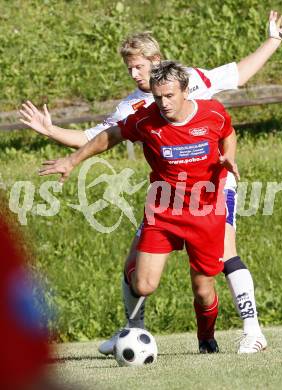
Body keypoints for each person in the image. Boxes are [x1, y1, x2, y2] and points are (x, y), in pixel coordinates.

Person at [19, 10, 282, 354]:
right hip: (167, 195)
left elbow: (239, 74)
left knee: (223, 253)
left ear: (157, 62)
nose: (133, 74)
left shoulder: (190, 80)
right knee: (136, 268)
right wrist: (52, 131)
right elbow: (96, 137)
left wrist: (272, 40)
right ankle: (133, 329)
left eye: (139, 66)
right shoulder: (132, 107)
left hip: (213, 183)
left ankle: (252, 330)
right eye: (128, 68)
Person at [38, 60, 243, 354]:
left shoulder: (212, 113)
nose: (163, 103)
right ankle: (133, 326)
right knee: (143, 284)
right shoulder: (146, 119)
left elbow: (228, 133)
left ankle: (206, 338)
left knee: (203, 290)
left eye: (170, 96)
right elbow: (111, 135)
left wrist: (228, 157)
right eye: (158, 97)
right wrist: (72, 161)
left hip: (206, 212)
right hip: (163, 212)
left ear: (186, 91)